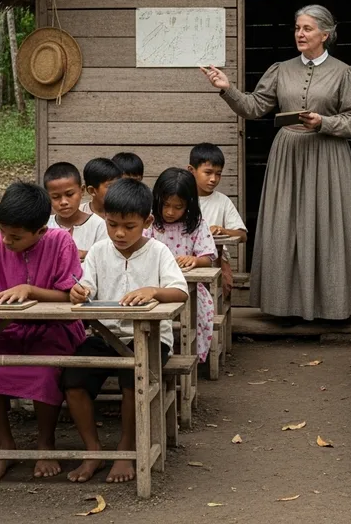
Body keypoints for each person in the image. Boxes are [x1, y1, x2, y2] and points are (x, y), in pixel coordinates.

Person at [201, 4, 351, 321]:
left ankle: (331, 307)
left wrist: (322, 122)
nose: (300, 34)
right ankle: (284, 306)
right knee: (286, 225)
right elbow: (253, 107)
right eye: (297, 28)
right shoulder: (280, 69)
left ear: (325, 34)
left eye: (307, 29)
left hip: (328, 156)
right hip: (287, 156)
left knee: (328, 226)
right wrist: (227, 89)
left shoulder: (345, 73)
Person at [0, 182, 85, 482]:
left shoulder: (61, 242)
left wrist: (30, 290)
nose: (7, 241)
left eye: (16, 237)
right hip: (5, 330)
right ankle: (5, 445)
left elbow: (69, 295)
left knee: (44, 372)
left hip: (55, 329)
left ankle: (45, 443)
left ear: (41, 231)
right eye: (3, 232)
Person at [64, 179, 188, 484]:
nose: (119, 233)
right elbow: (86, 285)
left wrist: (153, 291)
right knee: (72, 377)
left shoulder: (158, 251)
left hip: (148, 338)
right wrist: (79, 292)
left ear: (146, 222)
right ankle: (93, 450)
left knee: (134, 375)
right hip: (104, 336)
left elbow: (180, 292)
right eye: (112, 224)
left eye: (129, 226)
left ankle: (126, 447)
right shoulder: (98, 251)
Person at [147, 168, 218, 361]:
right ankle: (153, 353)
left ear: (189, 204)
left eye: (178, 207)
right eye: (166, 205)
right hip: (153, 285)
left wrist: (195, 260)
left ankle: (190, 357)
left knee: (200, 311)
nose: (170, 212)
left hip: (189, 289)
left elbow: (209, 257)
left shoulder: (197, 225)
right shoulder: (149, 223)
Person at [188, 142, 247, 297]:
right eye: (208, 172)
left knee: (224, 282)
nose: (213, 179)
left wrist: (222, 230)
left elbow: (242, 235)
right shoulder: (181, 200)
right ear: (191, 170)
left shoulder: (222, 201)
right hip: (185, 256)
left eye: (218, 173)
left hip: (217, 260)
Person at [44, 161, 106, 261]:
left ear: (82, 191)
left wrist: (89, 255)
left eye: (69, 194)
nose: (63, 202)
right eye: (55, 197)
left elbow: (105, 258)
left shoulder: (98, 226)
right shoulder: (44, 226)